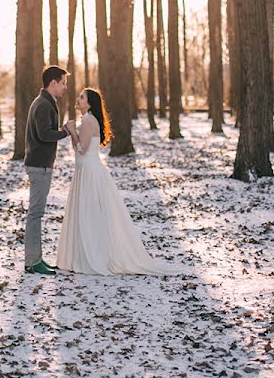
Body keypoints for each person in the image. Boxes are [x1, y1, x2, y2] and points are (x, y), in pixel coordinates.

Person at [57, 88, 181, 276]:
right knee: (86, 213)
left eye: (81, 97)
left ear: (89, 104)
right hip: (84, 171)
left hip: (90, 173)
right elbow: (78, 148)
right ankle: (82, 254)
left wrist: (72, 130)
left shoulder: (89, 121)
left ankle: (95, 255)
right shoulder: (86, 120)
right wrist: (74, 131)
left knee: (90, 213)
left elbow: (82, 149)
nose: (77, 99)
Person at [23, 66, 70, 275]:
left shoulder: (45, 101)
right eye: (63, 83)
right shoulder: (43, 104)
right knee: (35, 213)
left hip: (40, 164)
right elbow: (44, 134)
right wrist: (65, 132)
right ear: (53, 82)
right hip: (38, 165)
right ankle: (33, 262)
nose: (64, 87)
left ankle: (36, 259)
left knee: (36, 213)